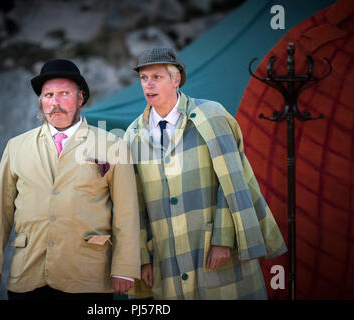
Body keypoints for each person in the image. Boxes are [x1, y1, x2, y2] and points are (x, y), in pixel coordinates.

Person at [123, 47, 287, 300]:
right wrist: (143, 258)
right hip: (166, 258)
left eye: (157, 77)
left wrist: (223, 239)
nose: (149, 85)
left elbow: (232, 182)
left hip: (214, 248)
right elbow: (135, 203)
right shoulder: (133, 134)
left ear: (176, 79)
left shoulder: (211, 115)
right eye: (144, 78)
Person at [0, 59, 140, 300]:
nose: (55, 102)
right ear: (41, 101)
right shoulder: (16, 147)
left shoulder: (112, 145)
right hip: (28, 273)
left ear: (80, 98)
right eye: (48, 95)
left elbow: (127, 212)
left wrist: (125, 268)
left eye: (64, 94)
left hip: (87, 276)